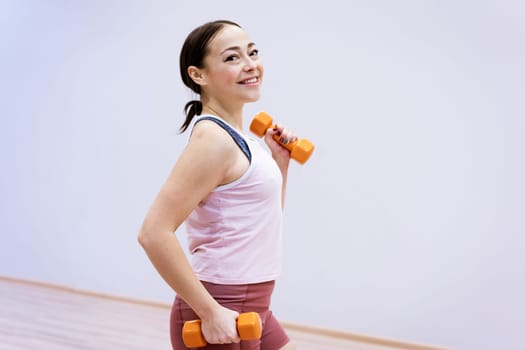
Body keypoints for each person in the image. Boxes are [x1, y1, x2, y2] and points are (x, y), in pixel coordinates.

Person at [138, 19, 298, 350]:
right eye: (232, 58)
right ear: (198, 75)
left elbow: (261, 221)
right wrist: (209, 311)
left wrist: (279, 163)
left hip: (255, 301)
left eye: (252, 52)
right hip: (221, 303)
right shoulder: (212, 139)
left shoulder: (243, 139)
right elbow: (153, 233)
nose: (251, 64)